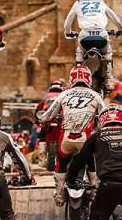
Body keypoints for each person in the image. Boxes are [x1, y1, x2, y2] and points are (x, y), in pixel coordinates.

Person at [40, 65, 105, 206]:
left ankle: (59, 194)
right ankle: (96, 192)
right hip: (85, 138)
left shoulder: (64, 94)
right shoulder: (95, 95)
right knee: (91, 161)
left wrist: (45, 119)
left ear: (72, 79)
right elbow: (105, 116)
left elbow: (45, 117)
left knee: (61, 161)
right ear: (88, 79)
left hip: (66, 138)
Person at [63, 0, 122, 92]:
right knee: (108, 52)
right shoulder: (100, 2)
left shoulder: (77, 4)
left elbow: (67, 23)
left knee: (80, 53)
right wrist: (121, 30)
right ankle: (108, 79)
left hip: (85, 36)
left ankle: (78, 77)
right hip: (101, 36)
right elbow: (116, 19)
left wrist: (68, 33)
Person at [35, 79, 64, 160]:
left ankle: (43, 159)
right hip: (61, 121)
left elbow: (38, 109)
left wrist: (37, 119)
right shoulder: (64, 95)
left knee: (42, 138)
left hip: (48, 121)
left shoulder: (46, 96)